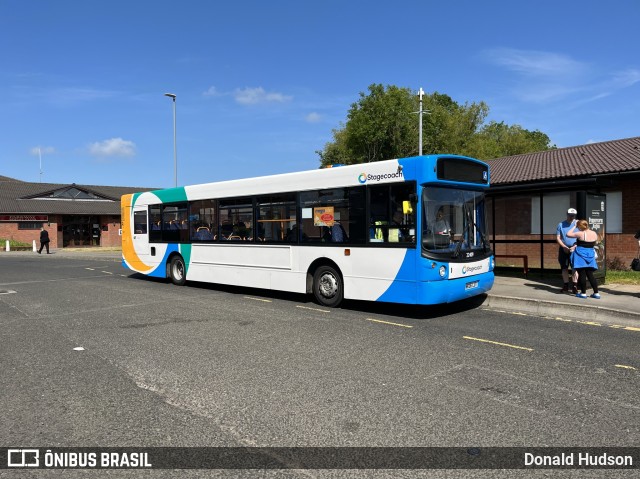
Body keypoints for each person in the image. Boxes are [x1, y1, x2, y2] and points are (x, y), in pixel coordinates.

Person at [566, 219, 600, 299]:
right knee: (590, 274)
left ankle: (583, 293)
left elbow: (568, 234)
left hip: (580, 255)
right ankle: (596, 293)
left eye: (578, 226)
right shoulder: (594, 233)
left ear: (579, 226)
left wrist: (574, 226)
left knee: (582, 274)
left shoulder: (580, 233)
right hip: (590, 255)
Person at [556, 208, 578, 293]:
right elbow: (558, 238)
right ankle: (566, 285)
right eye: (570, 215)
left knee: (575, 268)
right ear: (567, 214)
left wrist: (575, 246)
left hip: (575, 248)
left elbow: (582, 236)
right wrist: (564, 246)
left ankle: (575, 286)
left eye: (573, 215)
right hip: (564, 248)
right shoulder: (561, 224)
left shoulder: (578, 223)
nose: (571, 217)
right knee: (564, 267)